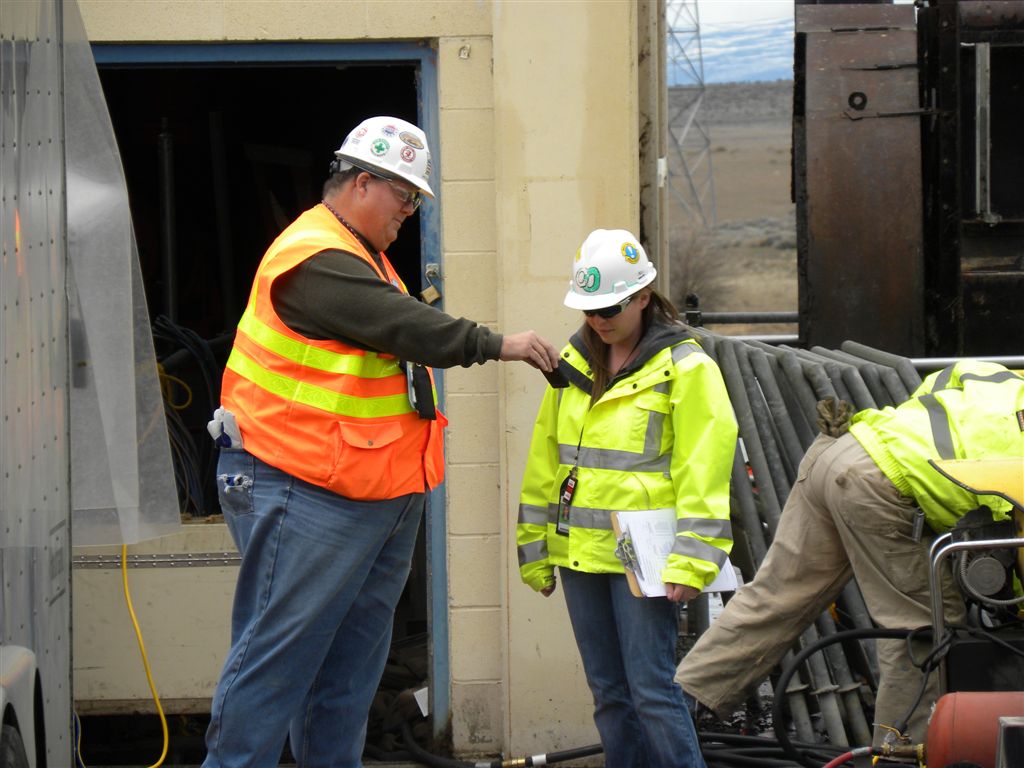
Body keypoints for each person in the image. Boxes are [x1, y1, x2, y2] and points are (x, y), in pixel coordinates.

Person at [202, 115, 560, 768]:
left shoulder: (365, 258)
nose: (410, 210)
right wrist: (498, 343)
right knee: (276, 657)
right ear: (363, 182)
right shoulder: (316, 257)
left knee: (349, 666)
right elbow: (406, 328)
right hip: (303, 485)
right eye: (404, 195)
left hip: (368, 492)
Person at [676, 360, 1024, 748]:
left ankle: (669, 710)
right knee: (923, 632)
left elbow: (940, 384)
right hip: (881, 485)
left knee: (773, 597)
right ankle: (899, 755)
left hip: (843, 449)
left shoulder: (1001, 381)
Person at [516, 229, 737, 768]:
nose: (599, 319)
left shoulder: (685, 368)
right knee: (610, 695)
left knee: (653, 693)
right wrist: (535, 549)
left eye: (610, 306)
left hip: (644, 559)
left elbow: (704, 467)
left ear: (643, 296)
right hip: (579, 555)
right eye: (589, 308)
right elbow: (549, 458)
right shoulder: (572, 364)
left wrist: (692, 559)